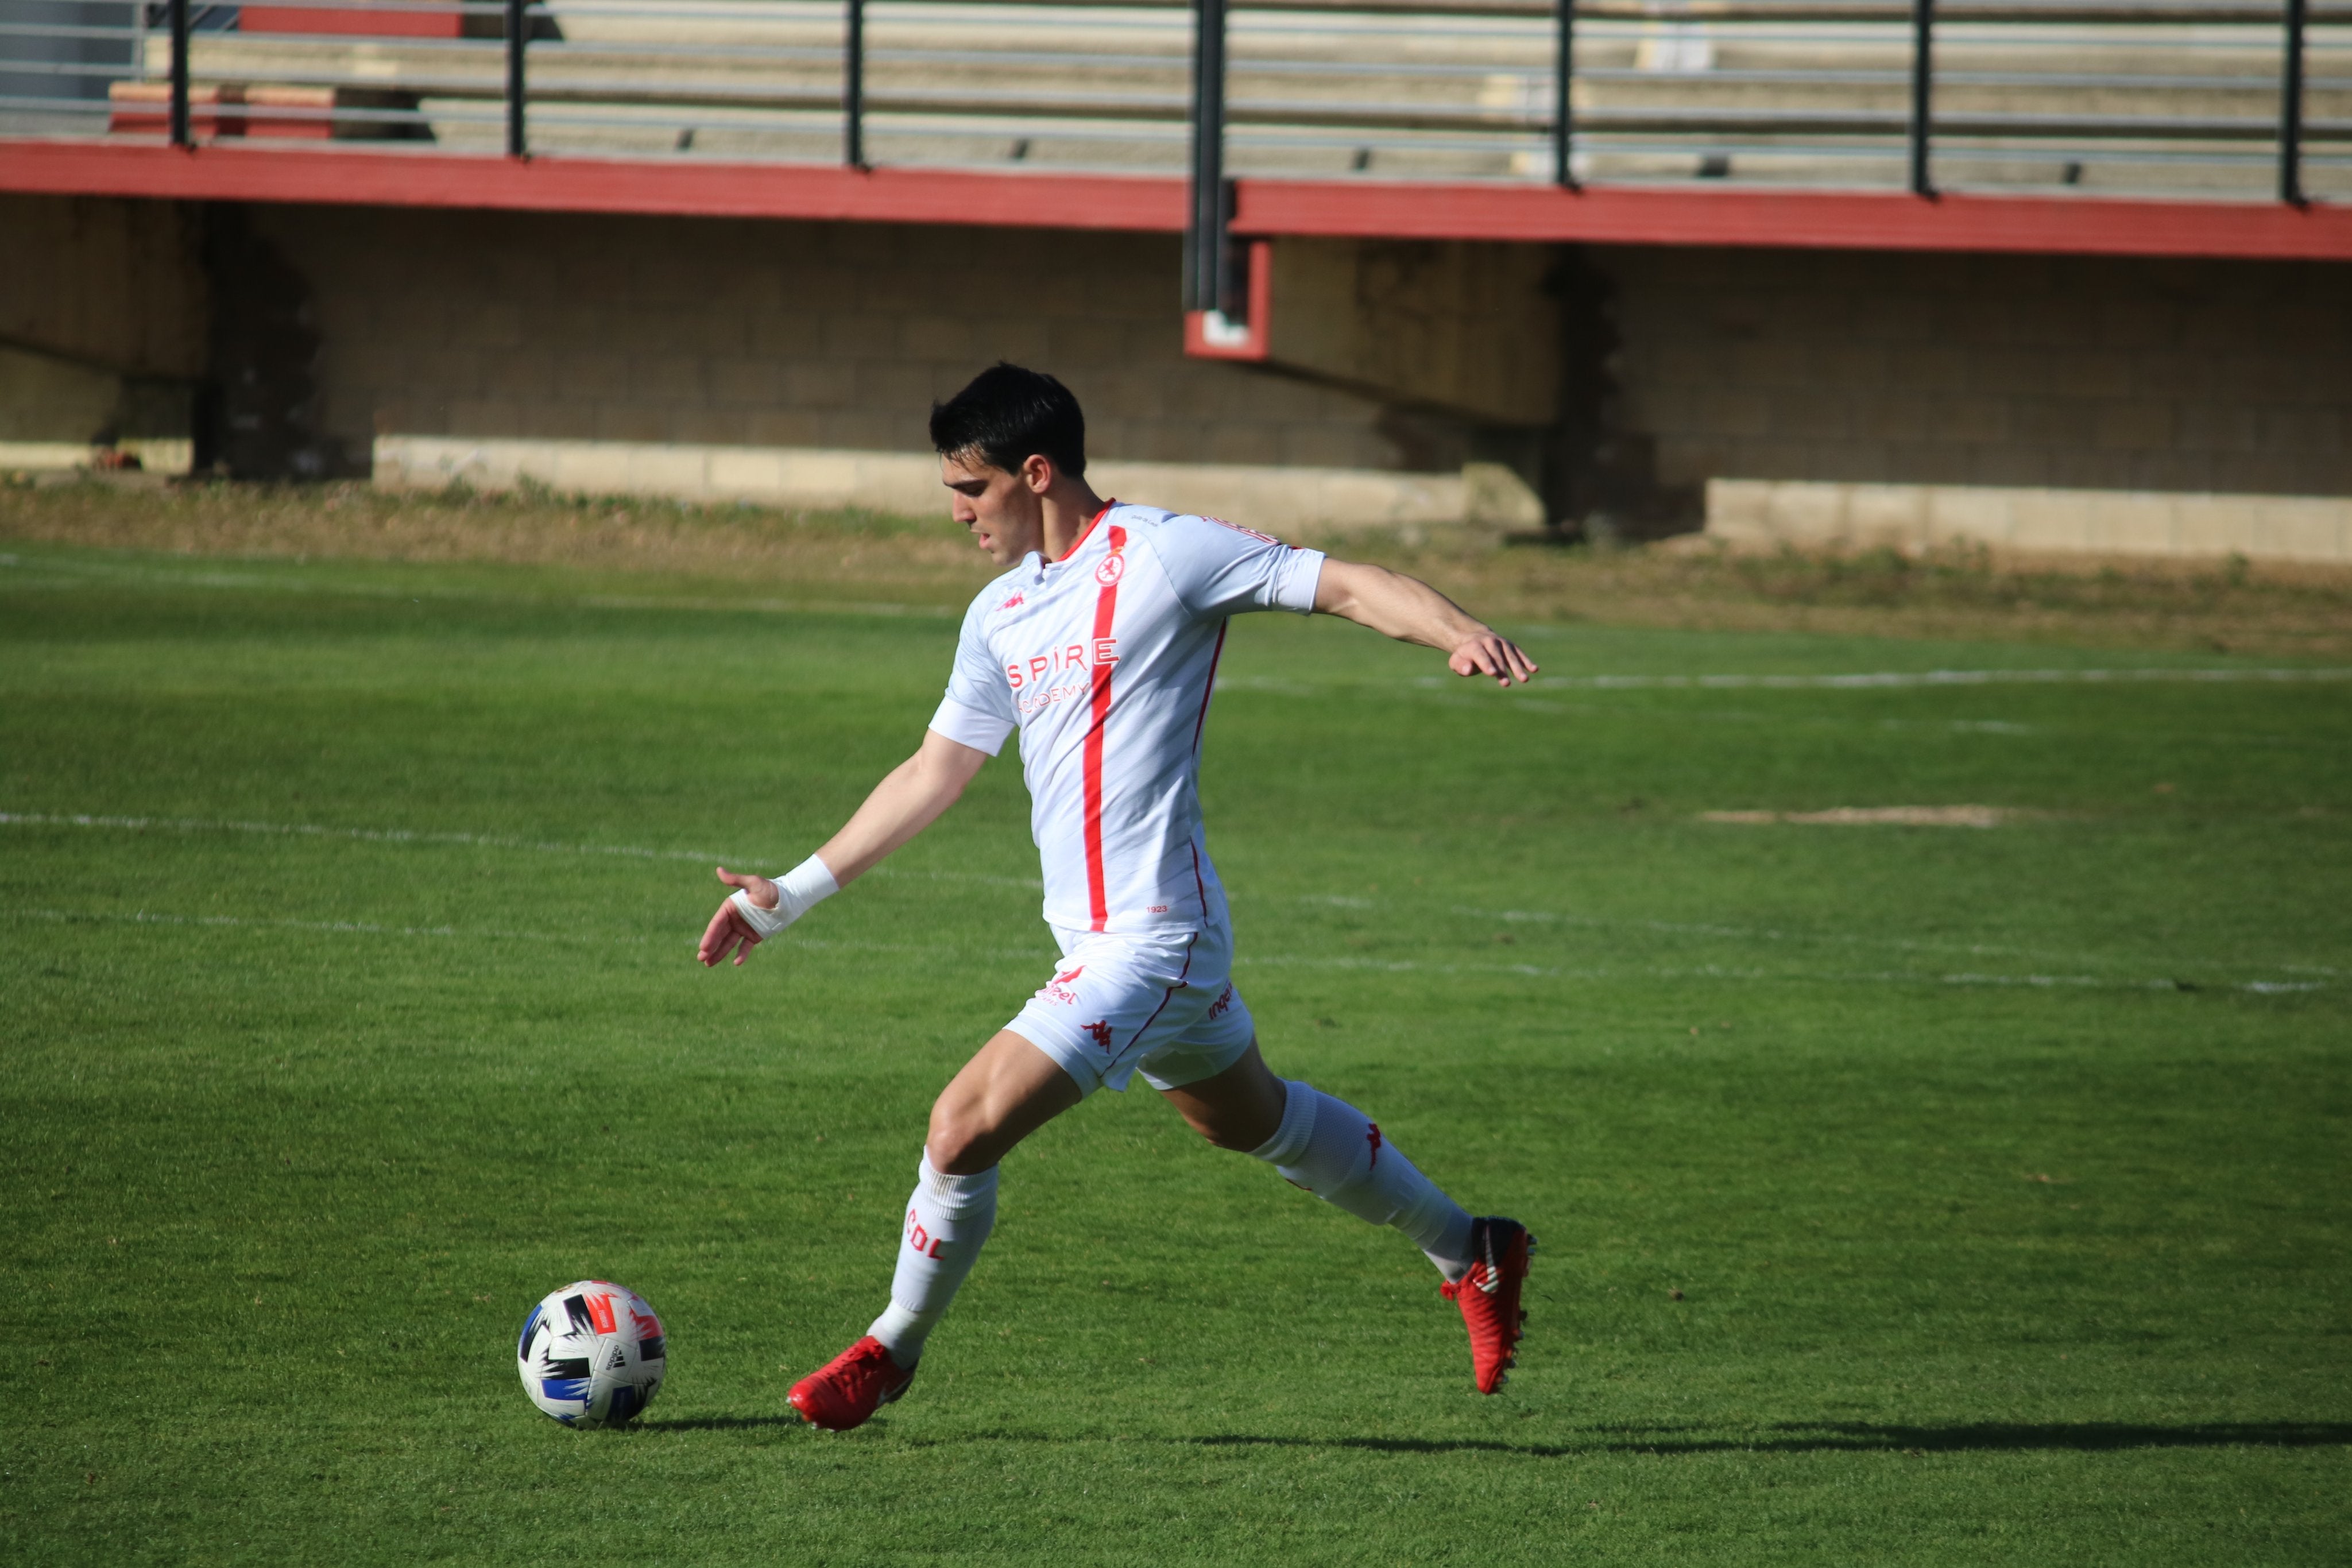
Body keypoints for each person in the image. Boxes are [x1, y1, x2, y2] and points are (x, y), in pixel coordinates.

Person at [698, 363, 1540, 1432]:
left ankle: (891, 1350)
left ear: (1036, 472)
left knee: (959, 1128)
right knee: (1256, 1121)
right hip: (1113, 947)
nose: (957, 512)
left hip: (1153, 942)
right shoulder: (1001, 612)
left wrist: (1456, 630)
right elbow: (933, 772)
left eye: (971, 489)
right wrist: (789, 895)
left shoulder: (1166, 552)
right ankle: (1472, 1248)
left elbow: (1345, 582)